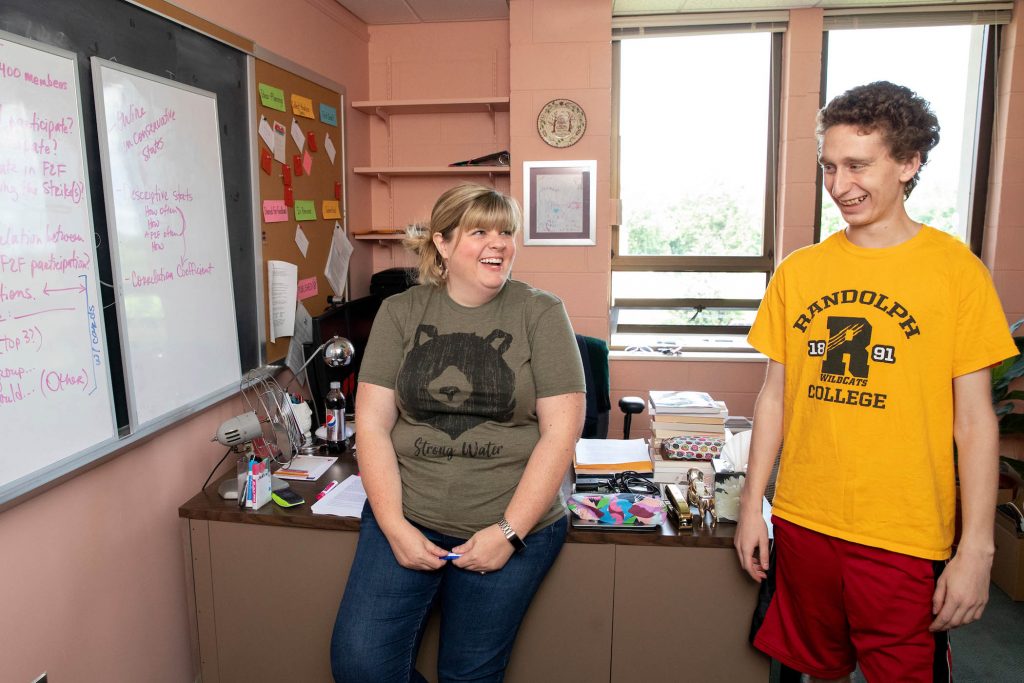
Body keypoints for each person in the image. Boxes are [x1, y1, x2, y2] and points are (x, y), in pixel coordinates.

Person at [735, 81, 1018, 682]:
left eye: (858, 165)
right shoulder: (800, 271)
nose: (840, 186)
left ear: (909, 162)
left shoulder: (956, 273)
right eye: (830, 166)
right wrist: (752, 506)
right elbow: (774, 397)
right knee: (809, 669)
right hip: (804, 520)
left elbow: (974, 420)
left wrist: (977, 549)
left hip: (904, 533)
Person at [330, 183, 586, 682]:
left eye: (507, 232)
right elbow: (375, 427)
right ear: (442, 244)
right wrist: (395, 527)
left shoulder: (541, 313)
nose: (499, 243)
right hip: (408, 515)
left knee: (468, 675)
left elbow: (561, 435)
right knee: (360, 665)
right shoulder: (401, 312)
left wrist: (508, 533)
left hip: (509, 524)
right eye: (480, 231)